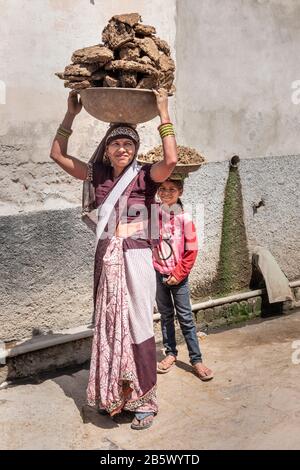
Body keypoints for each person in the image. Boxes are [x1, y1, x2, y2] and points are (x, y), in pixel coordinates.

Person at [50, 88, 177, 430]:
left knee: (136, 327)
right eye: (116, 144)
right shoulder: (98, 175)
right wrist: (71, 114)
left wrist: (163, 113)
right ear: (106, 149)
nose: (122, 149)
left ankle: (145, 400)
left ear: (135, 151)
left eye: (129, 145)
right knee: (109, 328)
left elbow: (171, 162)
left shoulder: (146, 176)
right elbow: (57, 156)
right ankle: (115, 395)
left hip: (135, 259)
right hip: (107, 259)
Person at [153, 178, 214, 380]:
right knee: (165, 315)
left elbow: (191, 252)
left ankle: (196, 360)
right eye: (162, 188)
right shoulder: (153, 215)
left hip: (178, 276)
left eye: (172, 189)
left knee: (186, 317)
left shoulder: (185, 219)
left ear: (180, 191)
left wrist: (178, 274)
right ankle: (170, 353)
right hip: (158, 272)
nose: (166, 192)